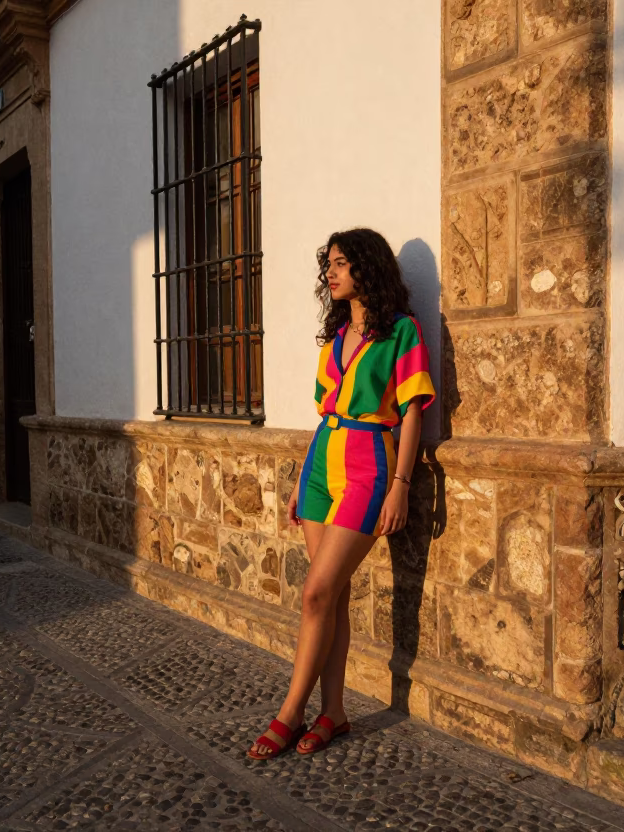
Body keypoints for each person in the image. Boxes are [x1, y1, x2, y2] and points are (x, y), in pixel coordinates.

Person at [247, 228, 435, 760]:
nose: (329, 273)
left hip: (369, 463)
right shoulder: (333, 339)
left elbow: (414, 409)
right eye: (327, 264)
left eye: (340, 263)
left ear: (366, 268)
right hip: (320, 466)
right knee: (332, 597)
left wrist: (400, 485)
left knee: (314, 593)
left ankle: (290, 712)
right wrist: (300, 481)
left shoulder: (402, 331)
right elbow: (325, 414)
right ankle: (335, 712)